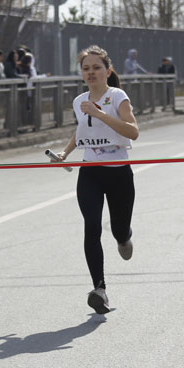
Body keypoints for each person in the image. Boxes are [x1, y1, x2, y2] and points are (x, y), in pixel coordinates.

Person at [51, 45, 139, 315]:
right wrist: (64, 153)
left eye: (96, 68)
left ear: (107, 71)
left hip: (118, 171)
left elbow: (133, 132)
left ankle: (124, 238)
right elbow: (81, 131)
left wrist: (100, 113)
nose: (91, 72)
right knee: (91, 227)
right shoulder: (79, 101)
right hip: (90, 171)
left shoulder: (117, 96)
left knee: (119, 229)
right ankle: (99, 289)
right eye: (86, 69)